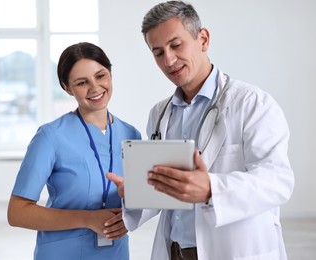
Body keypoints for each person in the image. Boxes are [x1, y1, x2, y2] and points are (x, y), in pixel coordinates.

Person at [107, 1, 295, 259]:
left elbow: (278, 181)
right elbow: (168, 192)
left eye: (176, 45)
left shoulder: (252, 103)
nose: (169, 60)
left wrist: (211, 188)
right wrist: (138, 191)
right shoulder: (160, 114)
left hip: (233, 250)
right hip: (174, 250)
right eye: (158, 52)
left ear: (203, 39)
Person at [7, 42, 141, 260]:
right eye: (82, 82)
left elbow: (138, 201)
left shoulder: (132, 135)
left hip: (115, 252)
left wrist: (131, 215)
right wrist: (87, 219)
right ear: (67, 87)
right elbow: (17, 212)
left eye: (101, 76)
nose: (95, 87)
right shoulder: (50, 137)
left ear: (110, 74)